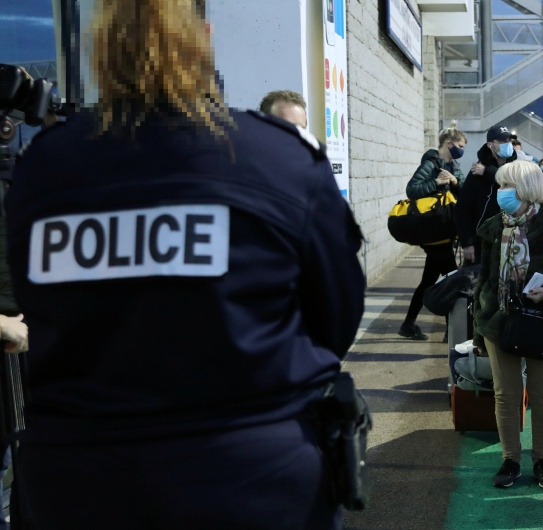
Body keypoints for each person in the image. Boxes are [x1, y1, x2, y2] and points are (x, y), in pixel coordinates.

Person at [6, 0, 365, 527]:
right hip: (255, 476)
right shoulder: (277, 157)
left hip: (81, 480)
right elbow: (336, 318)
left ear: (99, 52)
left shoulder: (46, 166)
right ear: (205, 39)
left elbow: (38, 300)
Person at [473, 160, 543, 490]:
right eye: (501, 186)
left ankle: (542, 460)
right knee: (505, 395)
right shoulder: (493, 227)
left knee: (541, 393)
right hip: (499, 320)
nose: (501, 193)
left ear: (526, 190)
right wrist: (480, 326)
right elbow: (483, 280)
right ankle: (510, 460)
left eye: (507, 186)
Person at [398, 121, 467, 340]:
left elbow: (465, 192)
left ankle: (409, 325)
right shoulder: (430, 163)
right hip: (432, 231)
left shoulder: (454, 166)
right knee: (452, 278)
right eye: (460, 145)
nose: (462, 149)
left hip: (443, 231)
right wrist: (436, 182)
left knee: (430, 280)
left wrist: (455, 182)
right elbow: (412, 189)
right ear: (449, 143)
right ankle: (452, 332)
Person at [455, 124, 518, 264]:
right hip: (482, 241)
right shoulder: (476, 172)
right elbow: (463, 209)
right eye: (502, 141)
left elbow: (515, 185)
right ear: (490, 145)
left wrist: (488, 172)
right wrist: (467, 242)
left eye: (509, 140)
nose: (508, 144)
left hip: (512, 241)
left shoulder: (515, 168)